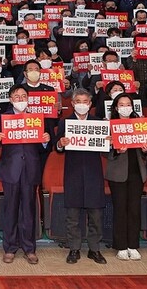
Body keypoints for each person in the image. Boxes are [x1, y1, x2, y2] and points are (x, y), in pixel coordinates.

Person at [0, 85, 49, 264]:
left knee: (29, 210)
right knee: (10, 210)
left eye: (24, 96)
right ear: (10, 99)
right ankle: (9, 248)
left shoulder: (36, 118)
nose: (21, 99)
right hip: (10, 169)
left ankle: (29, 248)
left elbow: (42, 147)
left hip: (30, 168)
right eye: (17, 96)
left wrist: (45, 141)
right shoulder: (3, 118)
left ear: (28, 99)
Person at [55, 89, 107, 265]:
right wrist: (61, 144)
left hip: (94, 173)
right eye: (78, 101)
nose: (82, 104)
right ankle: (74, 248)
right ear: (72, 103)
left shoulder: (99, 123)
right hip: (73, 173)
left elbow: (107, 151)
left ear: (90, 104)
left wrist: (110, 142)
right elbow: (57, 147)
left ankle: (94, 249)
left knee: (96, 214)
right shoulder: (65, 122)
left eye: (86, 101)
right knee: (73, 214)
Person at [106, 93, 147, 261]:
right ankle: (121, 246)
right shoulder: (109, 125)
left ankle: (133, 245)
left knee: (134, 210)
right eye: (121, 104)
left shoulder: (140, 124)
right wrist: (116, 150)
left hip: (136, 172)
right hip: (117, 173)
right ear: (116, 108)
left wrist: (146, 149)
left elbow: (146, 153)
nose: (125, 107)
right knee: (120, 210)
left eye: (128, 104)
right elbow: (103, 150)